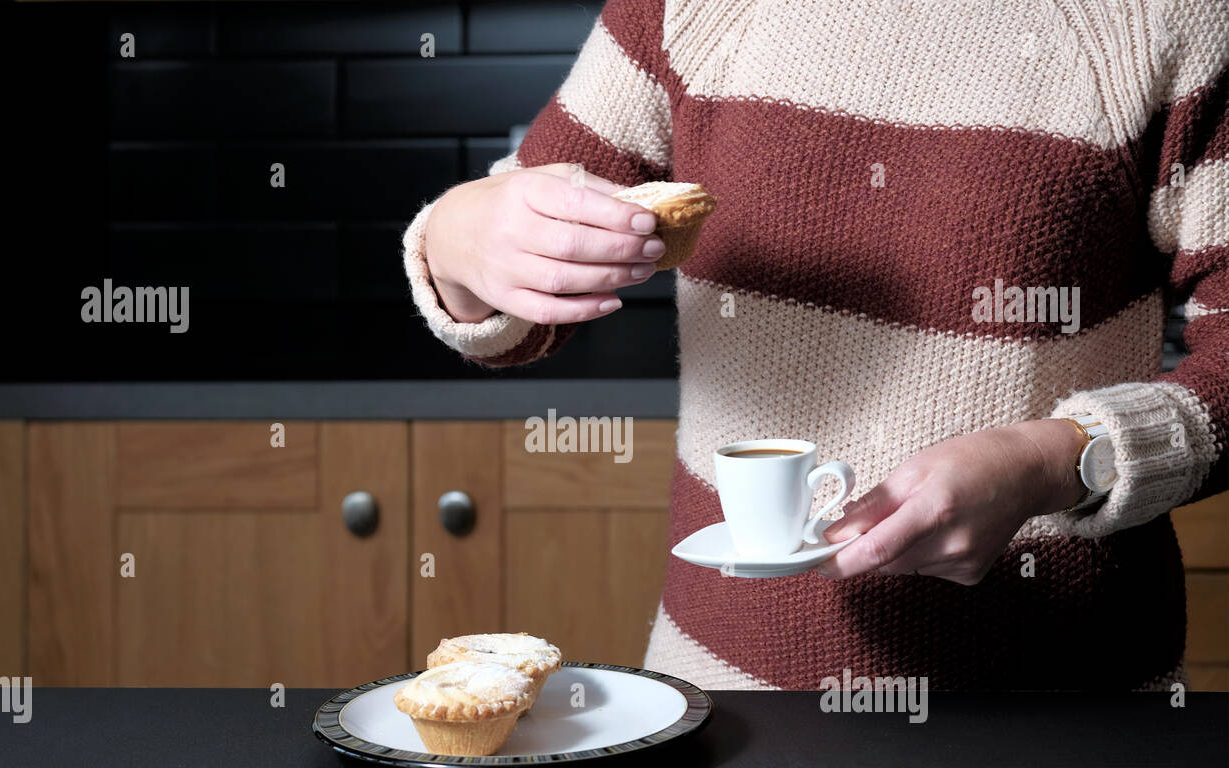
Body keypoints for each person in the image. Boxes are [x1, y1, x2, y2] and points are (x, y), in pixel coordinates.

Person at [400, 0, 1227, 689]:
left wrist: (1059, 458)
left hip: (1069, 713)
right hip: (722, 697)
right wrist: (459, 239)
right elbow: (522, 299)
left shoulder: (1162, 19)